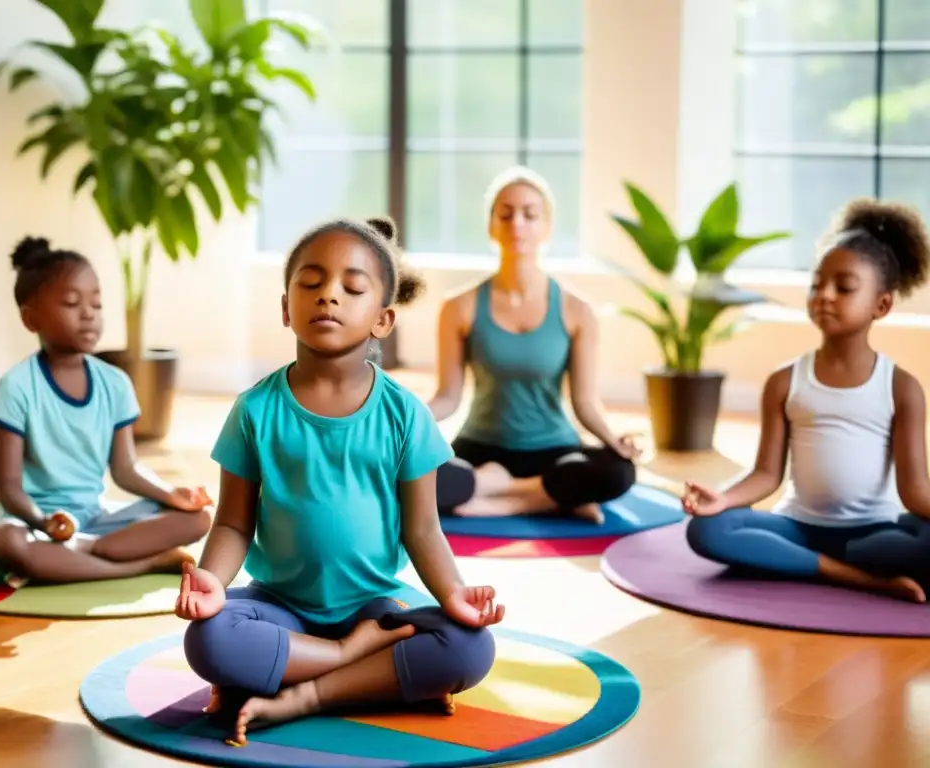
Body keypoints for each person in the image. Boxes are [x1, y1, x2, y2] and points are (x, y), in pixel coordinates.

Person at [176, 216, 502, 746]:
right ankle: (353, 666)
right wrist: (213, 582)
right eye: (310, 284)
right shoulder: (255, 410)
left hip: (374, 606)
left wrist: (455, 594)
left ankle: (307, 693)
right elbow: (234, 523)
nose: (329, 296)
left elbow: (423, 531)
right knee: (208, 639)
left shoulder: (405, 415)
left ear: (383, 319)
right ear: (286, 308)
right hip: (280, 606)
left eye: (352, 288)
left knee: (470, 647)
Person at [683, 198, 930, 603]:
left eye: (844, 287)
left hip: (873, 535)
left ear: (881, 305)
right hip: (798, 527)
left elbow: (916, 492)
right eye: (817, 284)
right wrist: (723, 498)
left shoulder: (902, 387)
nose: (825, 295)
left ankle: (795, 564)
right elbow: (766, 474)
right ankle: (853, 579)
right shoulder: (785, 381)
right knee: (707, 530)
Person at [0, 237, 213, 588]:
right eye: (72, 303)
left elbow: (126, 469)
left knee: (197, 519)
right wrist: (44, 521)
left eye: (97, 303)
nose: (89, 313)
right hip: (33, 524)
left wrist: (170, 494)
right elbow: (8, 487)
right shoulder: (16, 386)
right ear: (31, 319)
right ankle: (140, 563)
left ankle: (79, 555)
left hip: (94, 520)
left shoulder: (115, 383)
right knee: (7, 545)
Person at [429, 166, 639, 522]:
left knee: (619, 472)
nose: (517, 224)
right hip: (480, 448)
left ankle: (503, 494)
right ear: (491, 225)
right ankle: (554, 497)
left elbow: (585, 402)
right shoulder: (458, 307)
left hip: (554, 451)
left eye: (530, 214)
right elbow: (448, 396)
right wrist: (403, 424)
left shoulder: (577, 311)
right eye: (506, 214)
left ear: (547, 227)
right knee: (416, 477)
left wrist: (614, 438)